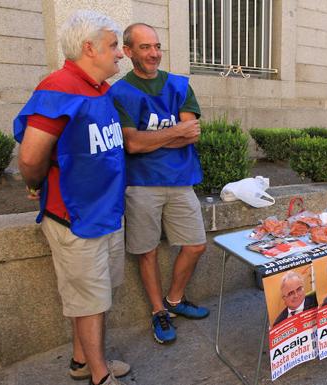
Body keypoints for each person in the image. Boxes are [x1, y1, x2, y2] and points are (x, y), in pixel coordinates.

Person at [13, 10, 130, 385]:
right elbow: (30, 157)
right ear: (89, 48)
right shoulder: (58, 87)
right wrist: (36, 184)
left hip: (105, 212)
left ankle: (82, 361)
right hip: (75, 217)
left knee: (96, 297)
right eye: (114, 46)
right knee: (90, 301)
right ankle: (99, 375)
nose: (120, 54)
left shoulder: (99, 89)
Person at [109, 23, 209, 344]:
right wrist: (170, 134)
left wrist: (148, 139)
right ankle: (158, 311)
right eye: (144, 47)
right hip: (141, 184)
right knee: (147, 251)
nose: (154, 53)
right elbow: (131, 145)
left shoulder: (179, 85)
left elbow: (191, 133)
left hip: (180, 181)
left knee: (196, 244)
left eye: (156, 46)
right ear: (127, 52)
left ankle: (174, 300)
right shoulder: (118, 93)